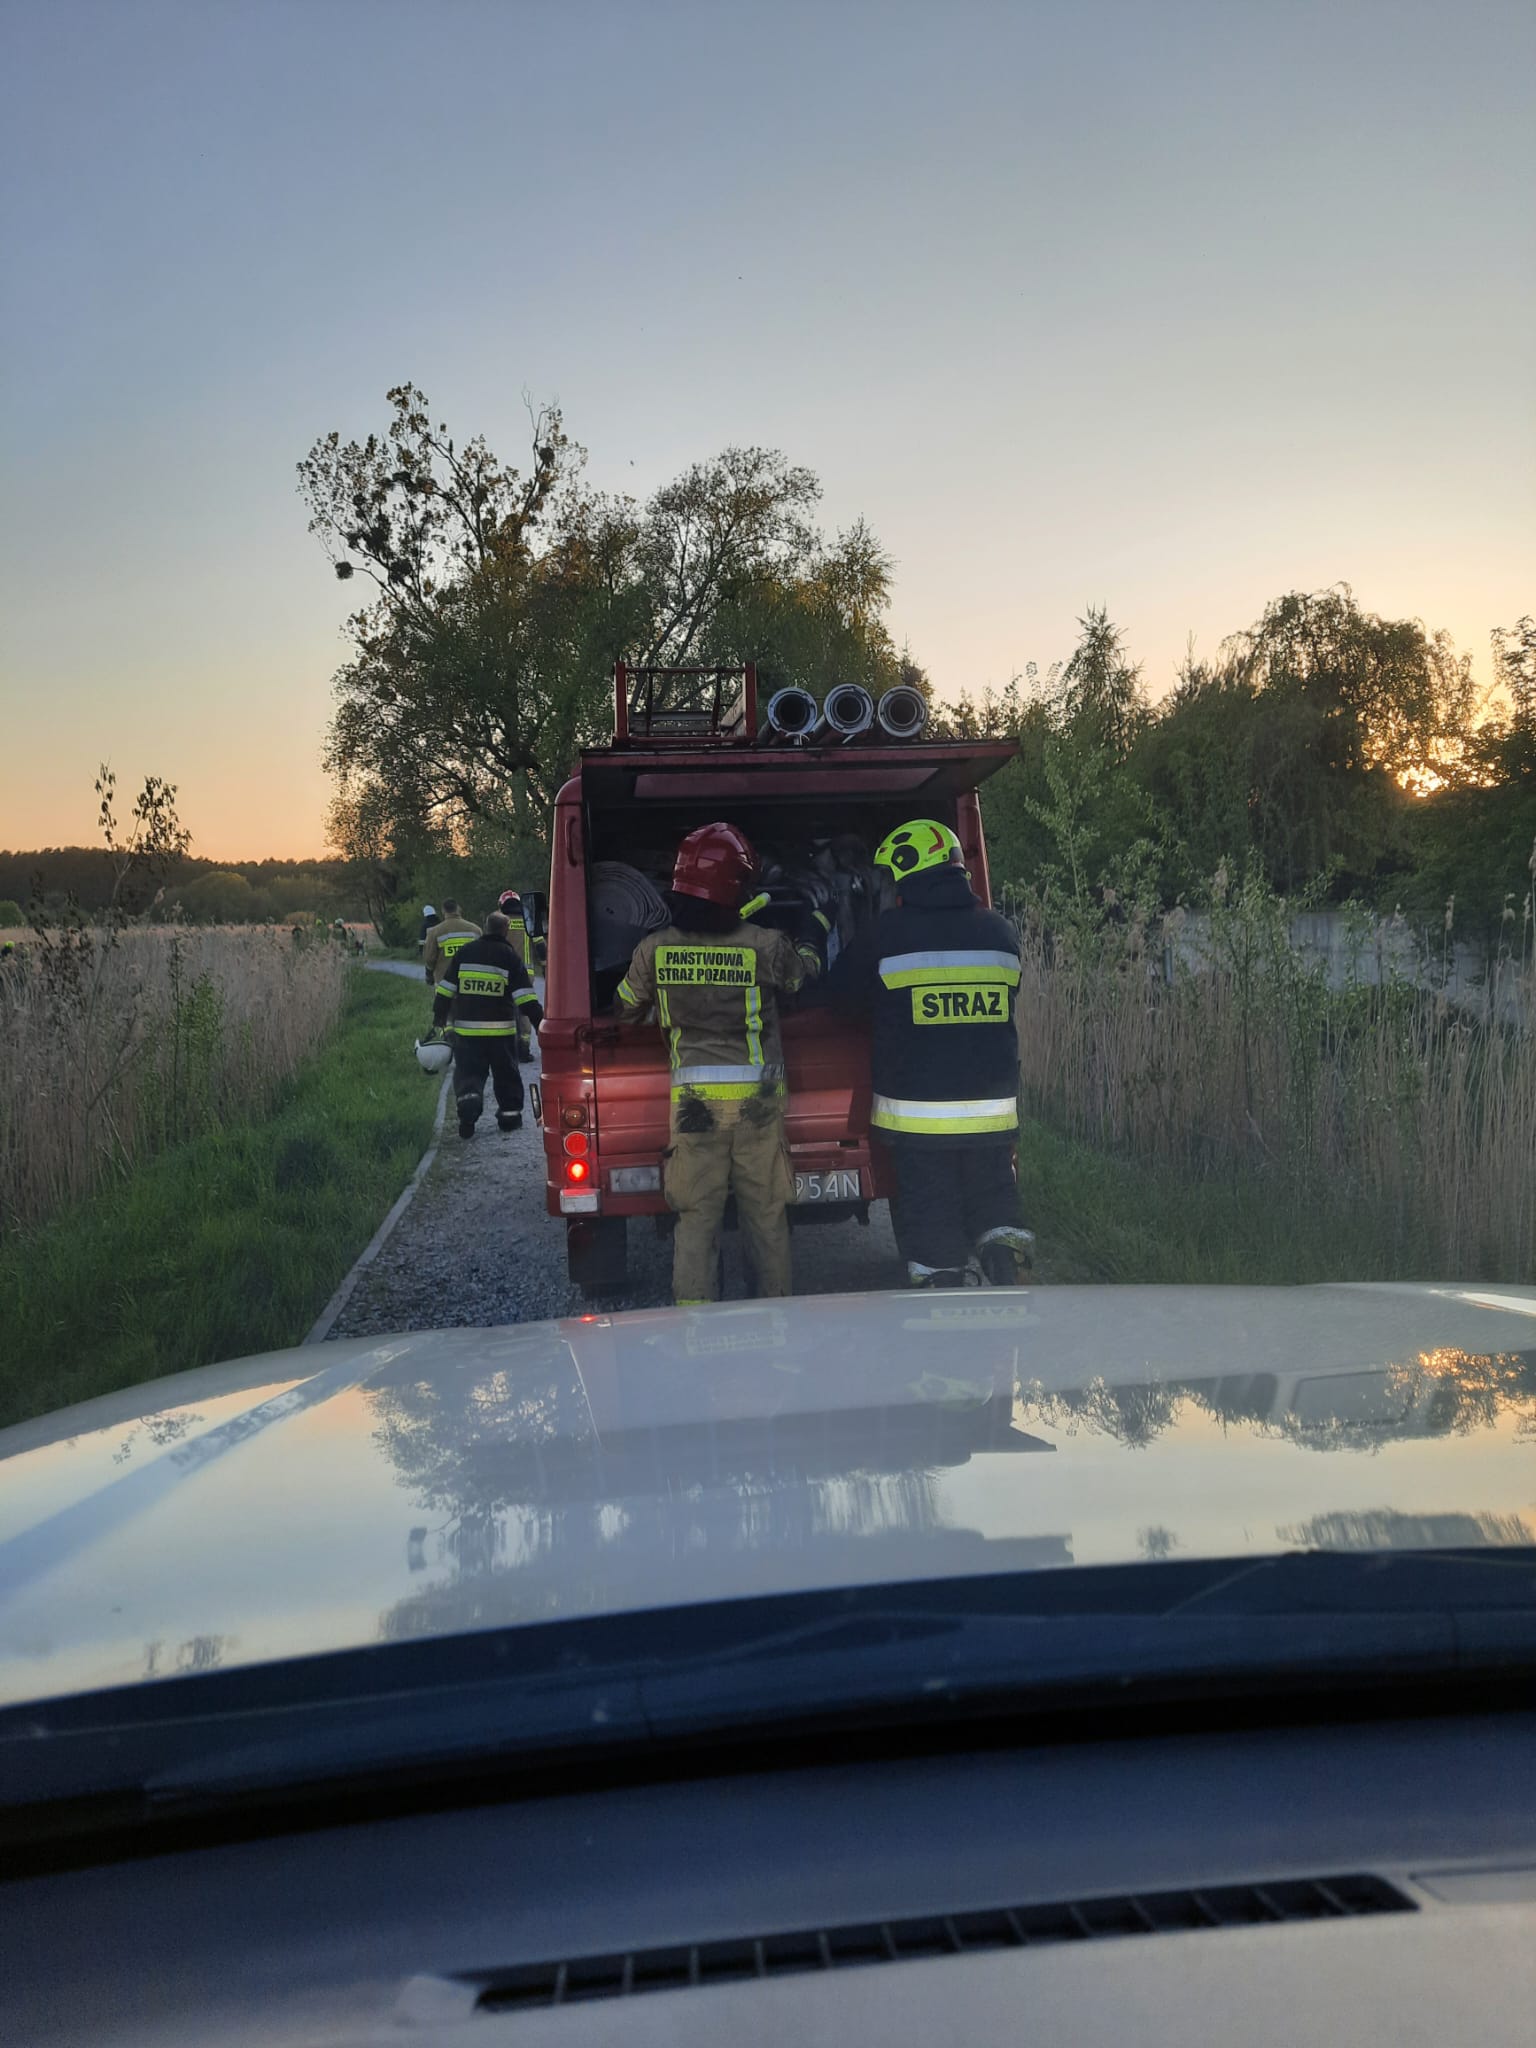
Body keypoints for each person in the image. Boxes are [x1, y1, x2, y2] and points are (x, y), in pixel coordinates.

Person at [617, 823, 821, 1307]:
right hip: (758, 1102)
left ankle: (696, 1318)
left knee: (697, 1215)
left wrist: (662, 1014)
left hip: (695, 1104)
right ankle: (774, 1311)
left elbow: (625, 1008)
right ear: (738, 889)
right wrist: (812, 936)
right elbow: (803, 980)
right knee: (766, 1212)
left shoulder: (654, 949)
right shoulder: (766, 945)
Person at [823, 818, 1034, 1288]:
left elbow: (839, 1001)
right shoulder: (1001, 932)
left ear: (908, 870)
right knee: (996, 1200)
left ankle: (944, 1300)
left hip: (920, 1123)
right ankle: (1010, 1273)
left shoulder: (886, 935)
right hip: (990, 1116)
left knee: (932, 1215)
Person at [428, 912, 544, 1139]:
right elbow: (525, 998)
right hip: (501, 1033)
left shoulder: (465, 952)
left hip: (467, 1032)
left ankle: (468, 1107)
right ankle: (509, 1117)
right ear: (505, 930)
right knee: (506, 1075)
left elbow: (445, 989)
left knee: (469, 1073)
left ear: (485, 928)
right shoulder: (509, 957)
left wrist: (439, 1017)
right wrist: (541, 1024)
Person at [491, 889, 536, 1062]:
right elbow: (541, 946)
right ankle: (524, 1049)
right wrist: (546, 966)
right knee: (524, 1011)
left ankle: (505, 1049)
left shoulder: (498, 922)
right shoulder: (528, 921)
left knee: (502, 1010)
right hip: (525, 975)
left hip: (501, 974)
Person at [422, 899, 480, 987]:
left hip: (444, 982)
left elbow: (429, 959)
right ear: (458, 909)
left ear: (443, 911)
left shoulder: (434, 932)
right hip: (469, 983)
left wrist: (429, 974)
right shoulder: (475, 930)